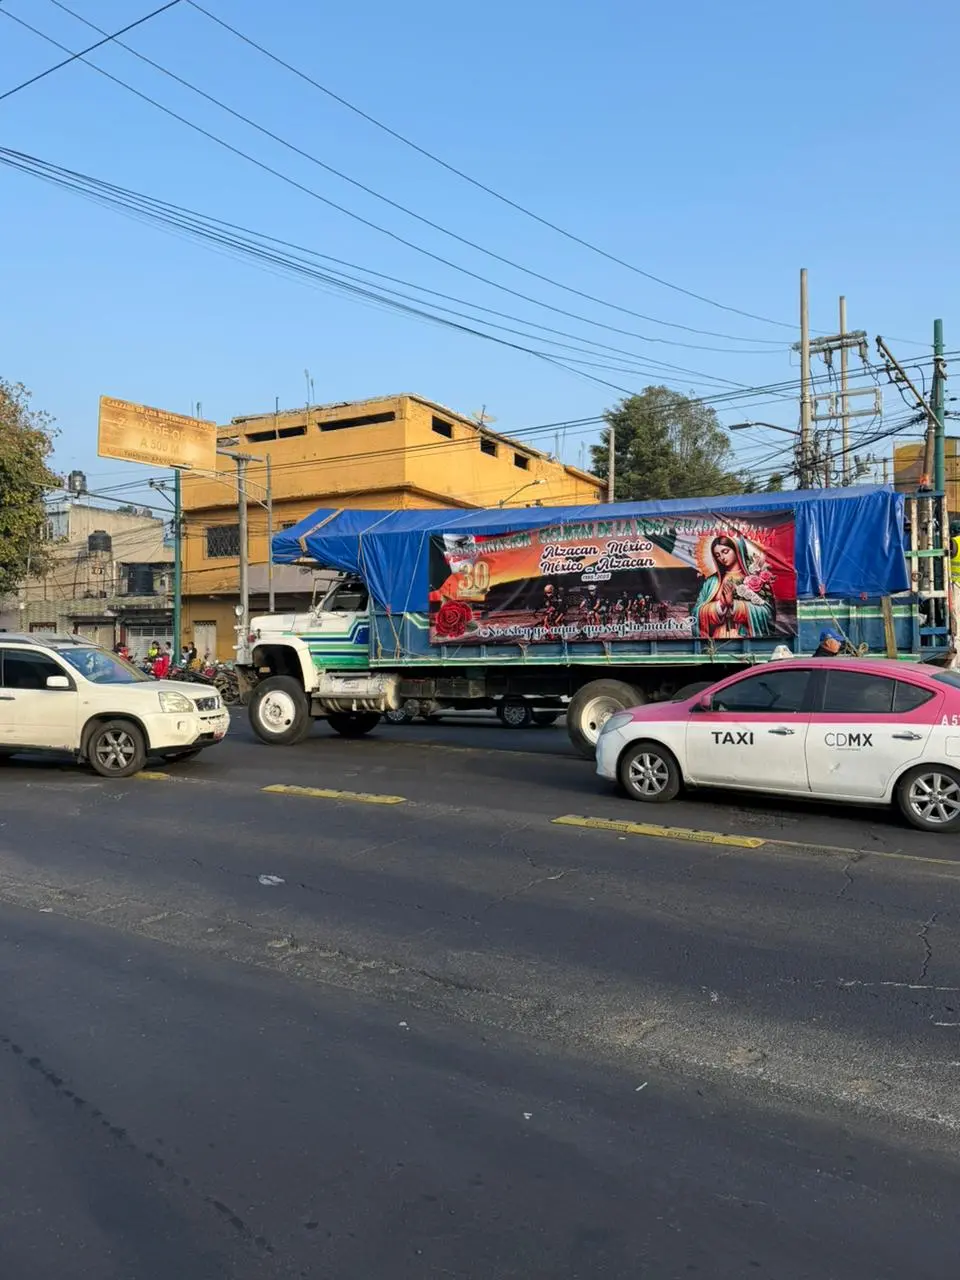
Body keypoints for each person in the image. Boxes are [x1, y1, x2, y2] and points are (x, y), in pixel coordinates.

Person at [692, 535, 775, 640]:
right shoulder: (712, 581)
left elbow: (768, 612)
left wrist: (733, 605)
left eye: (725, 552)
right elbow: (696, 612)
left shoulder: (754, 578)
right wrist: (720, 605)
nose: (722, 558)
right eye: (717, 555)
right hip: (717, 638)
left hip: (746, 637)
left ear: (737, 549)